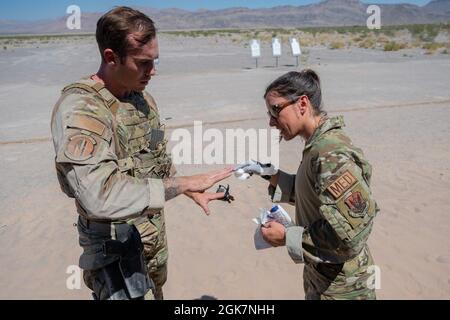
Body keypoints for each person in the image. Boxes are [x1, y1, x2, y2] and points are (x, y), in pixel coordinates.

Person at [51, 6, 232, 300]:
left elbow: (155, 158)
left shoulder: (143, 99)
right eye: (143, 62)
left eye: (155, 61)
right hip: (116, 257)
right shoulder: (83, 109)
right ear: (111, 58)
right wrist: (184, 184)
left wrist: (189, 190)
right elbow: (99, 196)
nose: (153, 71)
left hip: (151, 245)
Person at [236, 69, 379, 300]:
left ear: (302, 104)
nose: (271, 121)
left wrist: (287, 236)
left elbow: (350, 237)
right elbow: (316, 196)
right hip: (323, 276)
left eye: (275, 110)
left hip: (342, 288)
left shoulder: (330, 153)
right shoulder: (317, 147)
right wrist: (269, 174)